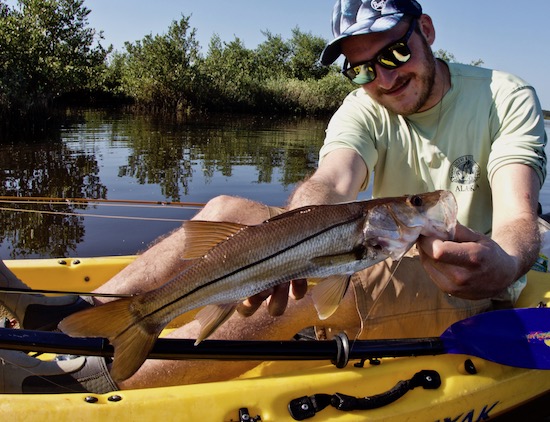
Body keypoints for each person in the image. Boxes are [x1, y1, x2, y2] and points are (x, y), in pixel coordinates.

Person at [0, 0, 546, 393]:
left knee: (312, 295)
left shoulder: (503, 96)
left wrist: (503, 262)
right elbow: (330, 182)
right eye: (363, 67)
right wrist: (286, 244)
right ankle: (81, 315)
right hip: (371, 247)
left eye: (396, 50)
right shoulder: (367, 105)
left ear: (426, 29)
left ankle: (86, 377)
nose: (384, 76)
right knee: (223, 211)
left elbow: (520, 217)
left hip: (467, 287)